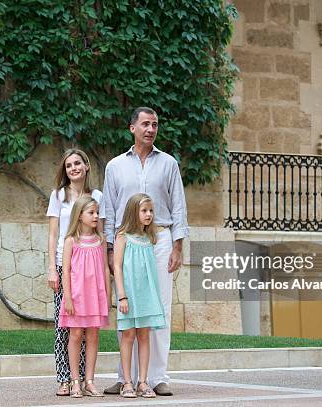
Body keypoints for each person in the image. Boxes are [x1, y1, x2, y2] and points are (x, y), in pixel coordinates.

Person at [101, 107, 189, 396]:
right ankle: (125, 376)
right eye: (145, 124)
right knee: (127, 309)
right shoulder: (115, 166)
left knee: (159, 310)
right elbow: (109, 210)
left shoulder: (169, 164)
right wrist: (110, 249)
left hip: (159, 240)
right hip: (126, 243)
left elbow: (178, 206)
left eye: (155, 124)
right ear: (132, 128)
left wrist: (178, 245)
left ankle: (156, 377)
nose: (151, 129)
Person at [46, 148, 102, 396]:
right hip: (64, 264)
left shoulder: (97, 195)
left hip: (89, 266)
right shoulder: (58, 195)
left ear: (86, 166)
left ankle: (83, 379)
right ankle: (64, 378)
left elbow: (101, 230)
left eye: (78, 163)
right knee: (65, 326)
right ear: (65, 170)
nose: (74, 168)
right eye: (69, 165)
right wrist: (52, 268)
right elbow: (53, 234)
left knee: (86, 327)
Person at [113, 193, 166, 398]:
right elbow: (117, 267)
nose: (149, 214)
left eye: (151, 211)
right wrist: (122, 296)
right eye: (144, 211)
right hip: (129, 295)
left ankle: (143, 382)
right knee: (128, 336)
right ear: (133, 212)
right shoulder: (122, 236)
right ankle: (127, 382)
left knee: (144, 336)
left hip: (146, 296)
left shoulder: (149, 238)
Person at [58, 196, 111, 398]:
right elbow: (67, 270)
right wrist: (68, 298)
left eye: (97, 212)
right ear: (79, 216)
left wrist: (107, 295)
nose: (96, 216)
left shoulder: (101, 240)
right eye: (91, 213)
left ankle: (90, 381)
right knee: (75, 335)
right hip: (77, 297)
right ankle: (75, 380)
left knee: (93, 336)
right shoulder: (71, 241)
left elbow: (105, 269)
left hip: (95, 296)